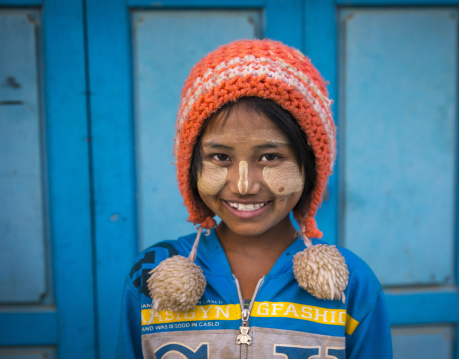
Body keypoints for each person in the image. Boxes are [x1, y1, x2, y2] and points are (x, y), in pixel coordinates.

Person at [116, 39, 393, 359]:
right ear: (190, 165)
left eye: (271, 157)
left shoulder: (352, 284)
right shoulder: (152, 273)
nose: (244, 185)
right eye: (220, 156)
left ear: (312, 167)